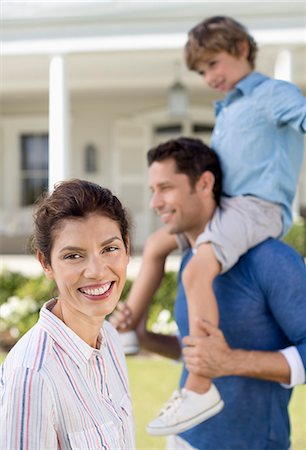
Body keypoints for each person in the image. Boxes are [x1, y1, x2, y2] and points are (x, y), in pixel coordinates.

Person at [118, 15, 306, 435]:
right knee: (154, 245)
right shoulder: (231, 107)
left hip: (255, 208)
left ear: (242, 49)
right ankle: (128, 332)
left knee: (199, 271)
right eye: (202, 71)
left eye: (214, 64)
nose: (208, 77)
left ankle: (201, 386)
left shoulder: (273, 94)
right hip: (226, 211)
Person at [111, 137, 306, 449]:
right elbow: (196, 352)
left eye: (166, 188)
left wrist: (231, 362)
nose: (155, 202)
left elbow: (221, 359)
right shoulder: (191, 260)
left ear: (204, 183)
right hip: (184, 439)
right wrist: (145, 337)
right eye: (153, 191)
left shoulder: (271, 259)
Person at [0, 179, 136, 450]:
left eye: (109, 249)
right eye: (74, 256)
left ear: (127, 249)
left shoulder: (110, 340)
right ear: (46, 263)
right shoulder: (33, 376)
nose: (97, 271)